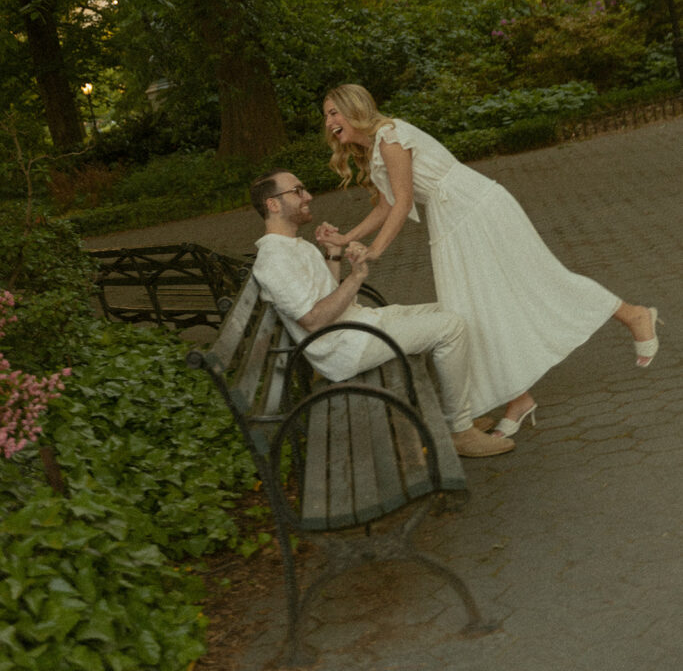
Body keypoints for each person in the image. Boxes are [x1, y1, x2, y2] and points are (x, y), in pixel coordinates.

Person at [318, 84, 660, 438]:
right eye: (326, 116)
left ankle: (633, 314)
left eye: (333, 112)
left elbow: (403, 203)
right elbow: (386, 205)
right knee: (474, 312)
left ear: (353, 108)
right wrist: (346, 238)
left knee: (541, 281)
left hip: (476, 210)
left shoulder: (390, 137)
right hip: (451, 220)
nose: (329, 122)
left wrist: (375, 251)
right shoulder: (375, 150)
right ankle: (519, 398)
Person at [249, 168, 515, 458]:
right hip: (343, 348)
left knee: (454, 308)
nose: (308, 196)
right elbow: (314, 321)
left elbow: (327, 296)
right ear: (273, 204)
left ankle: (458, 415)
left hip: (358, 326)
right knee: (450, 327)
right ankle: (461, 431)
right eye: (297, 191)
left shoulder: (294, 246)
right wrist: (357, 277)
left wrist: (334, 253)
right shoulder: (274, 259)